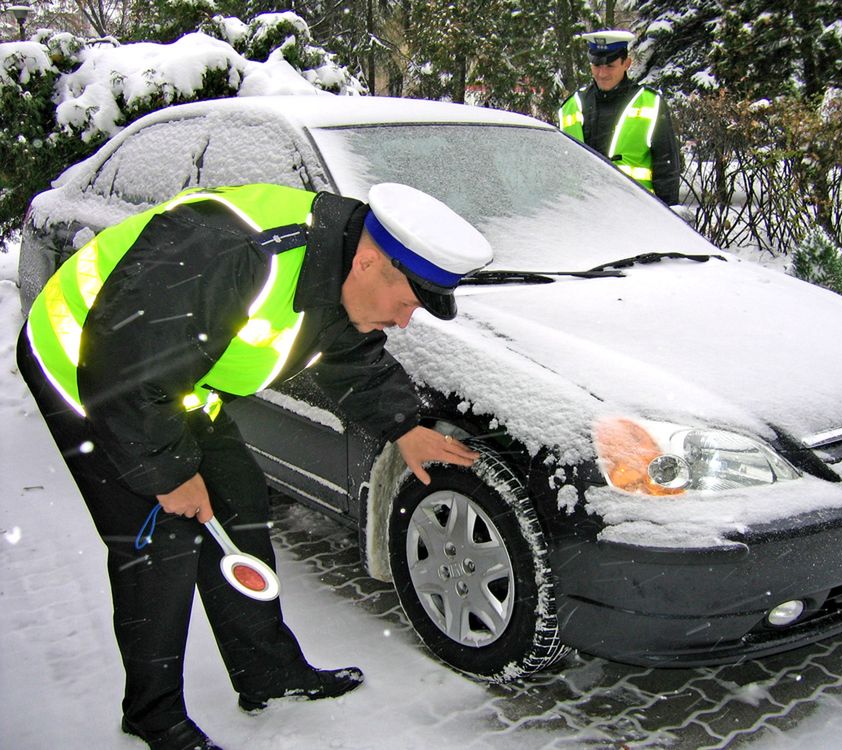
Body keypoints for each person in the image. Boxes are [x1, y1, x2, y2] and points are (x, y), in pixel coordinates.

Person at [16, 181, 493, 750]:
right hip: (85, 368)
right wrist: (169, 475)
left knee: (238, 500)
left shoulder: (335, 265)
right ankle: (153, 714)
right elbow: (119, 367)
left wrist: (404, 428)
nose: (406, 321)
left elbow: (345, 353)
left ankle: (268, 674)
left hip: (170, 383)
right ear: (370, 263)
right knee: (160, 541)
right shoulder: (236, 252)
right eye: (408, 303)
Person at [559, 29, 681, 205]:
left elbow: (666, 170)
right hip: (583, 214)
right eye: (596, 65)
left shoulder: (649, 102)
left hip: (635, 213)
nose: (602, 73)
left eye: (610, 66)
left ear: (627, 63)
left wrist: (668, 217)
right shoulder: (571, 105)